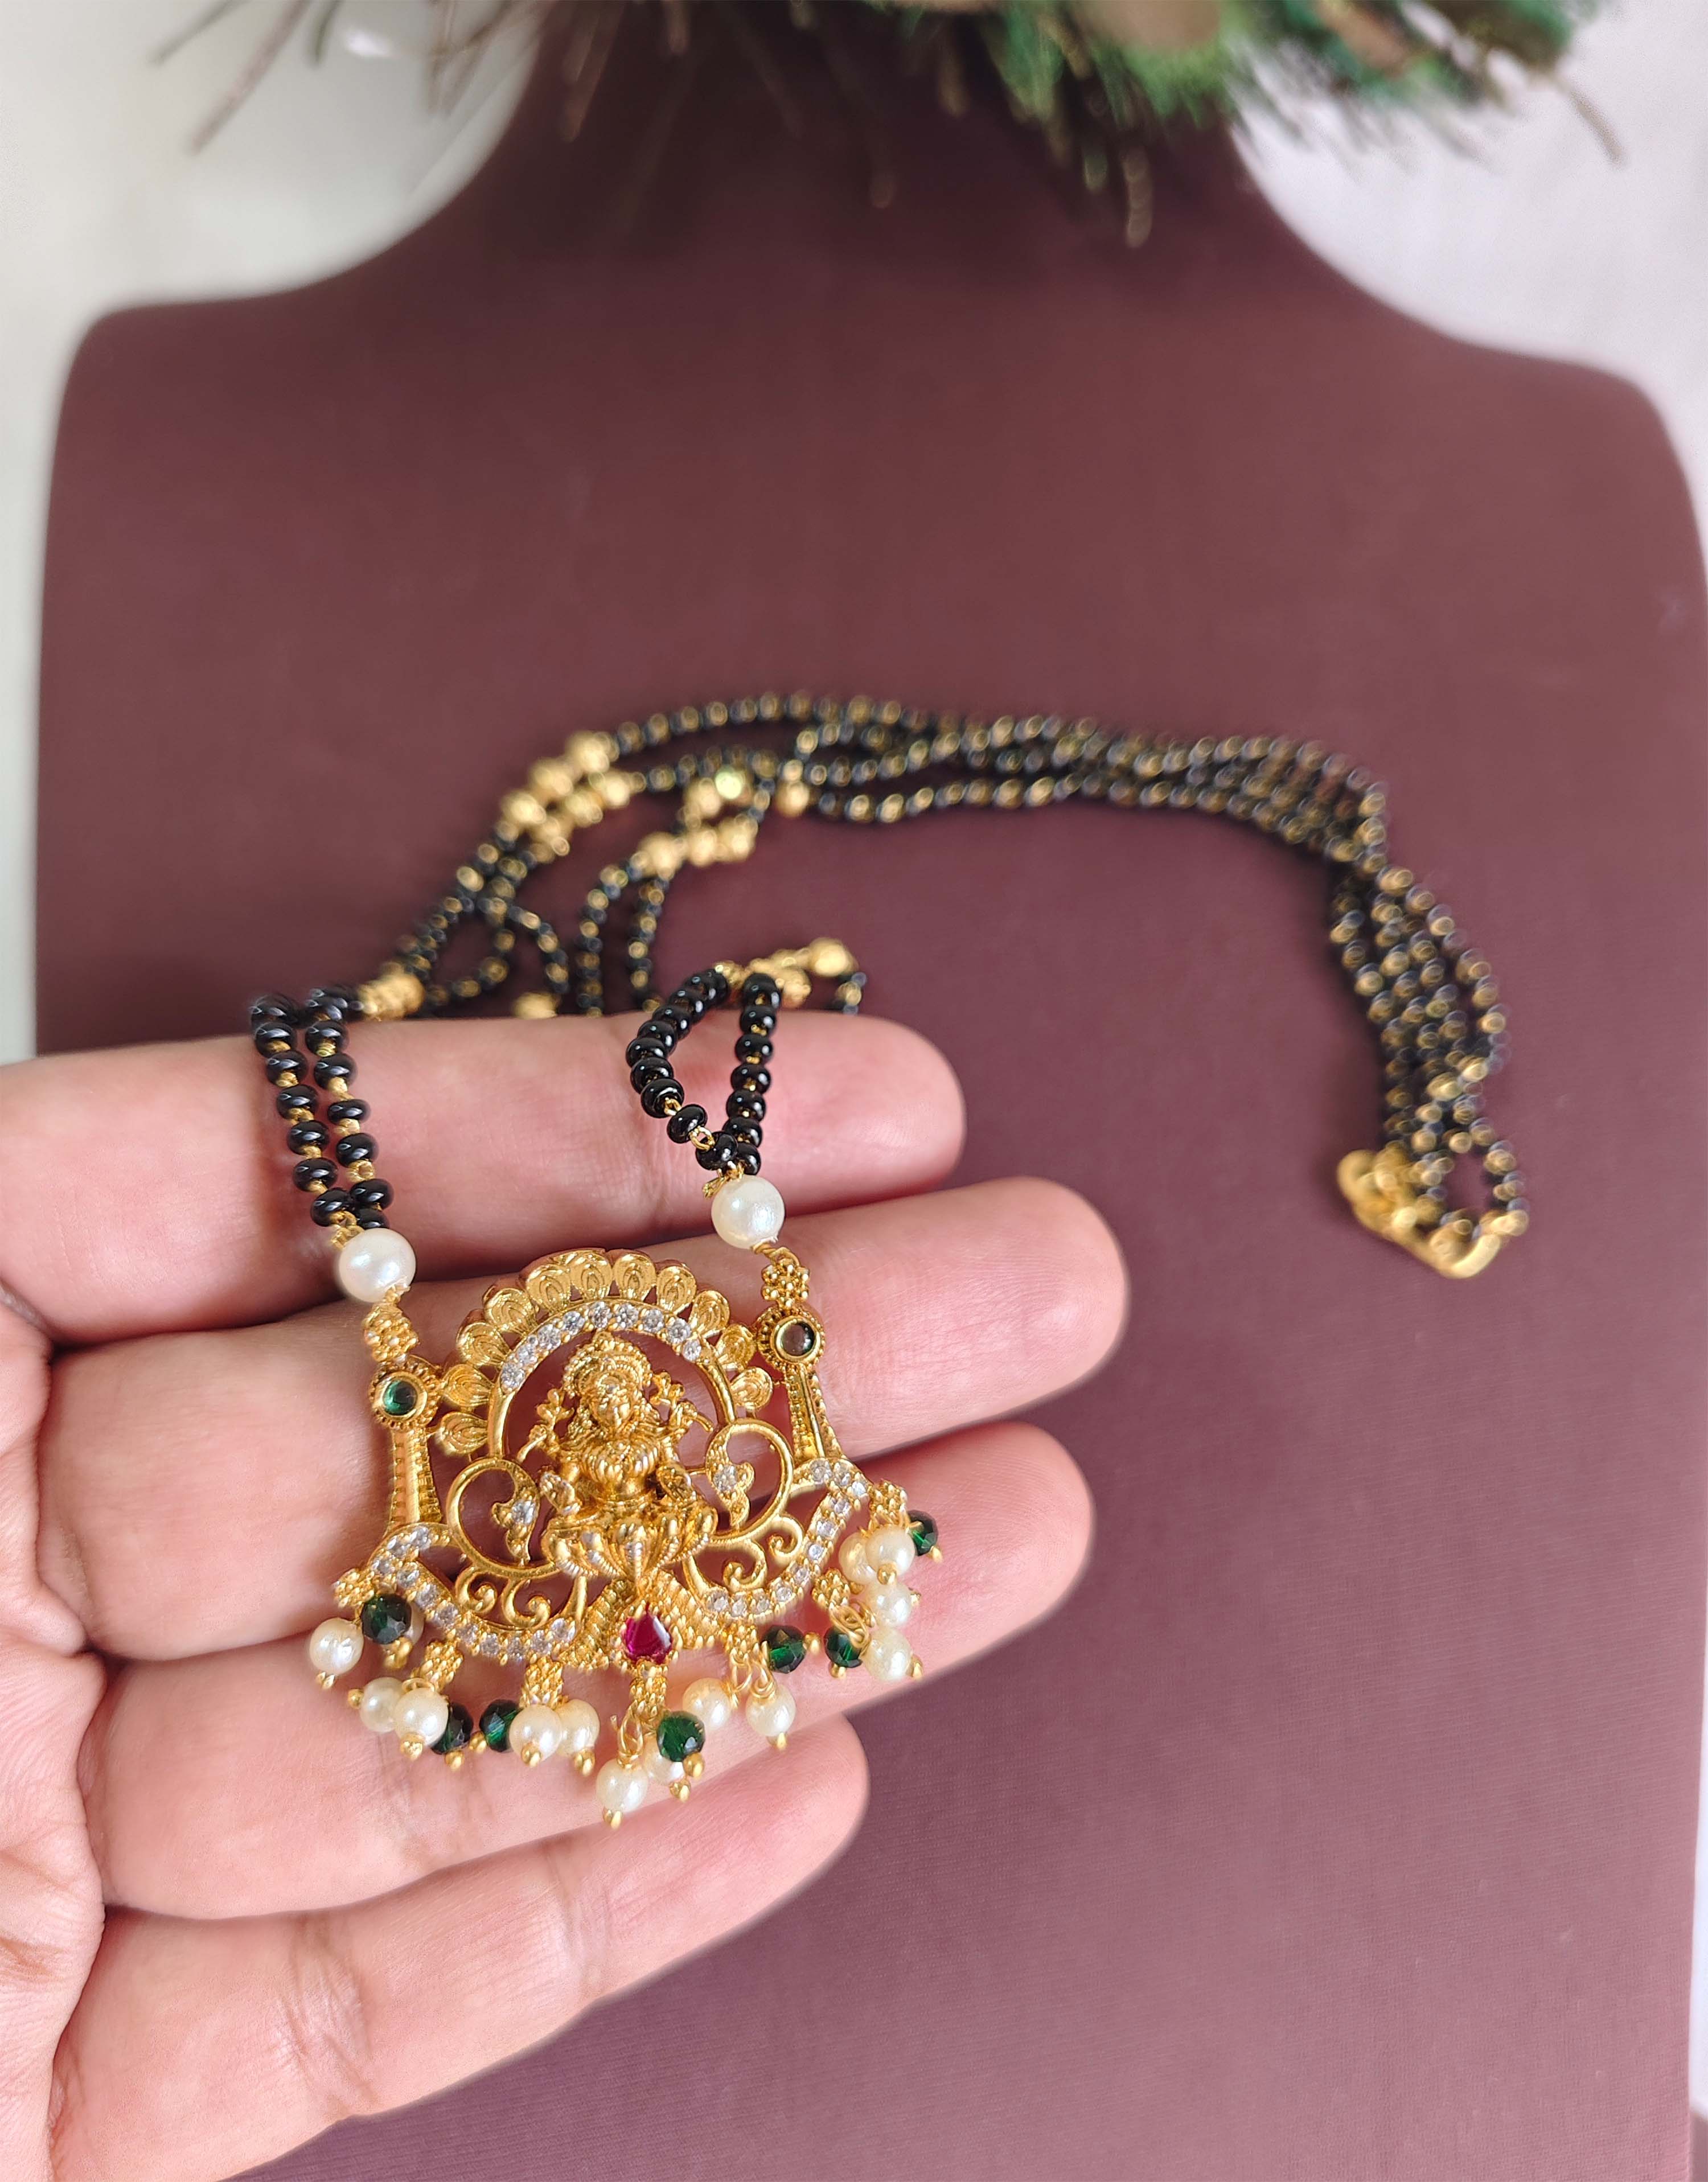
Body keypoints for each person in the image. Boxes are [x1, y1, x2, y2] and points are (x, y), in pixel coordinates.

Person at [0, 1007, 1122, 2180]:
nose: (625, 1406)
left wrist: (679, 1500)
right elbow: (521, 1490)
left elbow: (708, 1468)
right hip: (573, 1544)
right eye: (606, 1397)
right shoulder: (545, 1445)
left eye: (638, 1395)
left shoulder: (684, 1424)